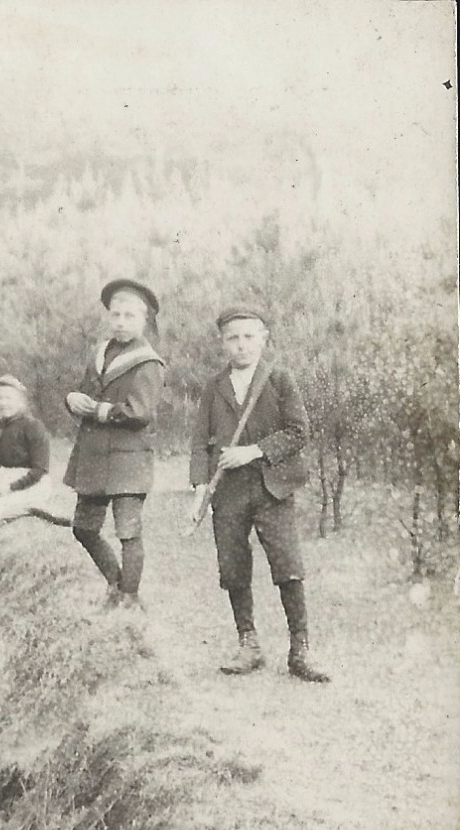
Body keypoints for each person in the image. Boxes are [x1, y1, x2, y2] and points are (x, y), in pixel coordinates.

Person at [189, 306, 329, 682]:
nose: (241, 345)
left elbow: (299, 430)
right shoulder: (213, 386)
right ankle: (248, 644)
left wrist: (254, 451)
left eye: (249, 336)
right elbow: (200, 441)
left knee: (288, 566)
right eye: (233, 338)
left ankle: (300, 650)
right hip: (229, 493)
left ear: (263, 338)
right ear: (222, 342)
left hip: (274, 487)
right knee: (233, 567)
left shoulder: (279, 379)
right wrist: (200, 489)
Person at [63, 278, 167, 609]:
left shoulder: (148, 362)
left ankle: (129, 597)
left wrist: (99, 410)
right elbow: (85, 392)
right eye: (116, 315)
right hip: (94, 457)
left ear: (145, 320)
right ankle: (117, 583)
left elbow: (141, 412)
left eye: (129, 316)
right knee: (83, 528)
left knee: (128, 532)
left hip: (127, 461)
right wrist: (73, 399)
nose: (121, 322)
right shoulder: (99, 353)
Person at [0, 375, 64, 530]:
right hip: (4, 480)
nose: (3, 403)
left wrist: (10, 487)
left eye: (9, 398)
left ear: (20, 401)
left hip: (31, 484)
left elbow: (40, 470)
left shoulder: (33, 427)